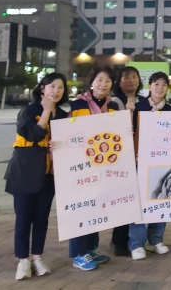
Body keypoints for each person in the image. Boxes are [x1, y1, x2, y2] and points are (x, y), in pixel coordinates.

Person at [9, 73, 68, 280]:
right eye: (52, 86)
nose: (56, 91)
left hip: (49, 173)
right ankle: (23, 260)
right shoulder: (29, 111)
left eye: (60, 87)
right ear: (42, 88)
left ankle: (37, 257)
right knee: (24, 217)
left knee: (42, 218)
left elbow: (69, 141)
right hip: (25, 172)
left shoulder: (63, 115)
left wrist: (59, 145)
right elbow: (32, 135)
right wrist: (46, 111)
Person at [66, 66, 120, 271]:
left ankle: (91, 248)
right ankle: (79, 254)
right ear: (92, 82)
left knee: (95, 207)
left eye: (107, 81)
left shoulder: (112, 106)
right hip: (80, 165)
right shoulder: (78, 104)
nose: (103, 84)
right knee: (81, 208)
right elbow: (69, 132)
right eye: (99, 80)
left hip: (102, 164)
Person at [128, 72, 171, 260]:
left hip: (163, 162)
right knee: (138, 202)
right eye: (156, 84)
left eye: (163, 85)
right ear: (149, 86)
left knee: (161, 198)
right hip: (139, 162)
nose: (160, 88)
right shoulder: (138, 107)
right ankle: (137, 244)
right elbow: (127, 132)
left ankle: (156, 240)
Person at [109, 66, 147, 255]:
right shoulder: (114, 102)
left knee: (136, 199)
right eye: (126, 77)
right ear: (119, 81)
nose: (131, 80)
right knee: (122, 199)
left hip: (140, 156)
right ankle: (119, 240)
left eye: (134, 76)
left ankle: (134, 239)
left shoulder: (144, 102)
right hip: (121, 157)